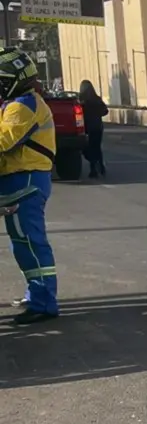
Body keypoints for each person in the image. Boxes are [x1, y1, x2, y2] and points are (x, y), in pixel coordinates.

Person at [0, 47, 59, 324]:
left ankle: (43, 302)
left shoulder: (22, 105)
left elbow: (4, 140)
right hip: (20, 178)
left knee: (30, 242)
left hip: (26, 180)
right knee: (23, 242)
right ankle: (37, 295)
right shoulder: (18, 102)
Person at [79, 80, 109, 178]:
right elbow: (105, 111)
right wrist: (97, 114)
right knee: (97, 148)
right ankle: (100, 167)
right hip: (98, 127)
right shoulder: (97, 99)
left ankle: (94, 169)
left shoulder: (81, 101)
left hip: (88, 128)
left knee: (89, 148)